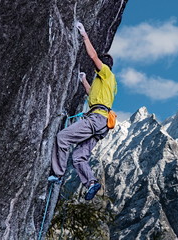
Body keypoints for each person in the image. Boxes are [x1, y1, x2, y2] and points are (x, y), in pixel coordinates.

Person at [48, 21, 117, 200]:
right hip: (101, 124)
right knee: (79, 157)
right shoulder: (104, 84)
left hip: (96, 120)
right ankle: (91, 183)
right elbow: (92, 96)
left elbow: (93, 56)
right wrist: (84, 80)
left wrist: (84, 35)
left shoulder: (107, 74)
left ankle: (58, 174)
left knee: (62, 137)